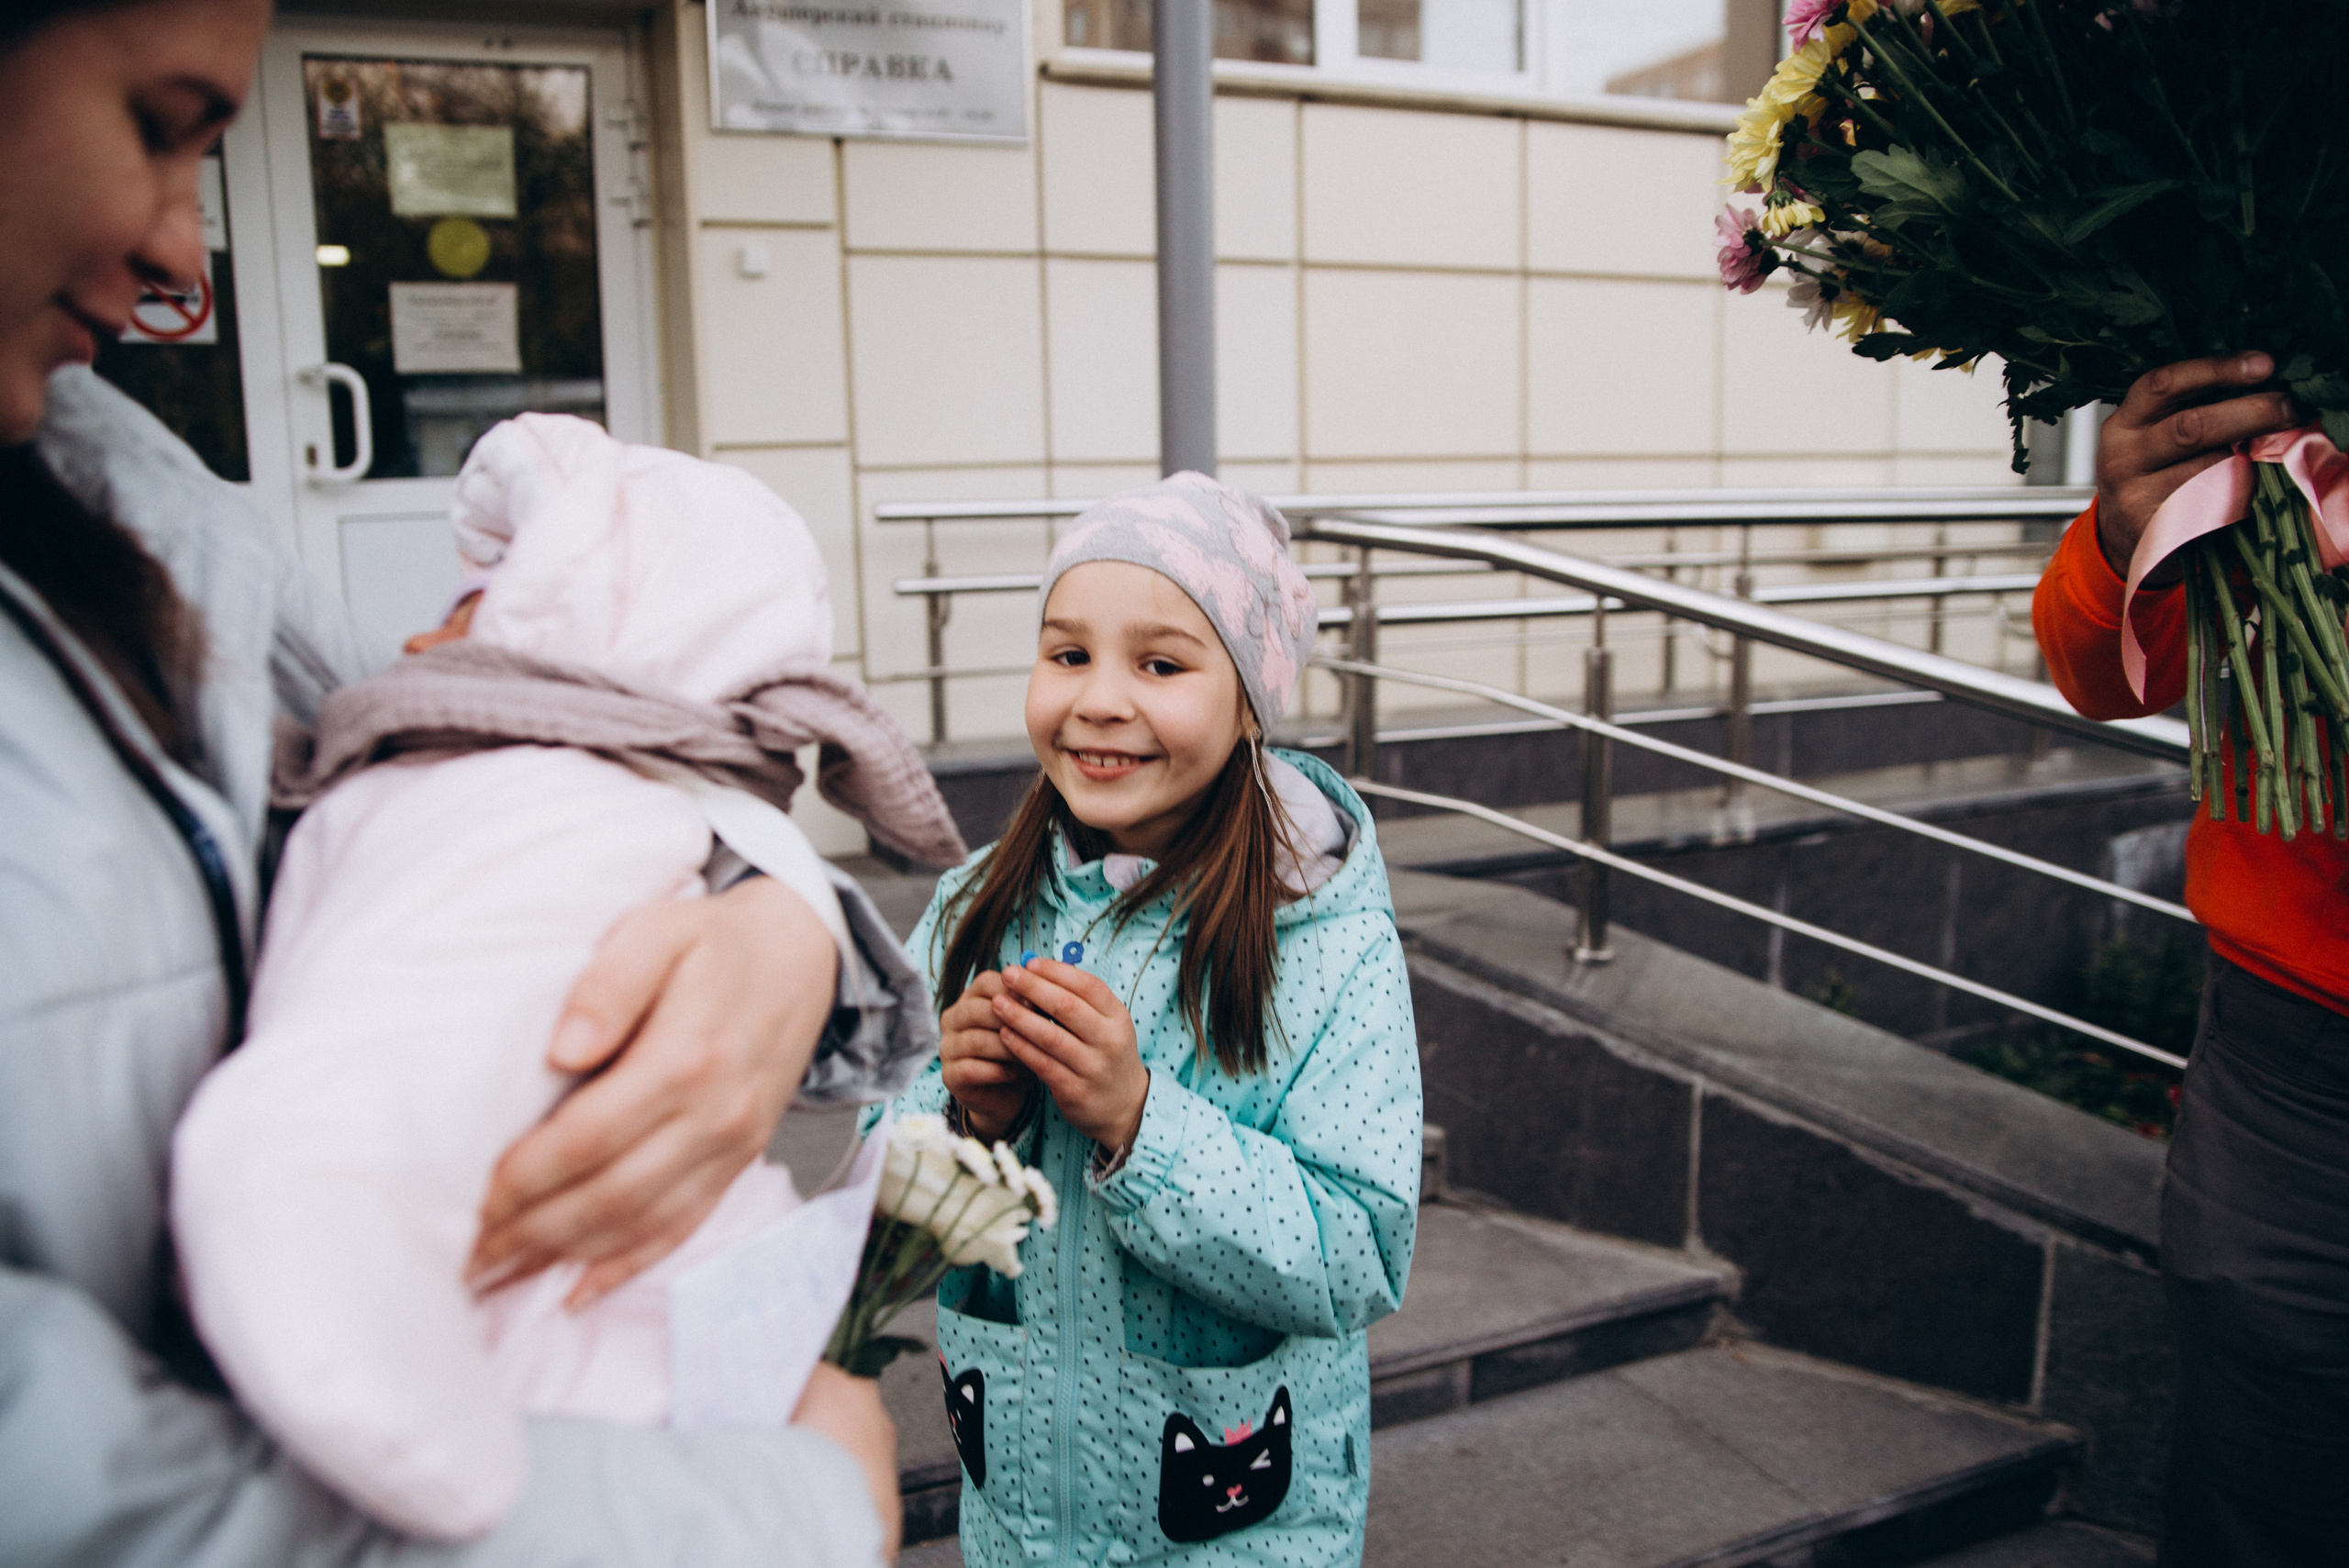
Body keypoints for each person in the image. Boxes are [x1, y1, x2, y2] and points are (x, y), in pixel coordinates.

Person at [0, 4, 899, 1562]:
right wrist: (788, 1508)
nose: (184, 265)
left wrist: (782, 925)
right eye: (161, 126)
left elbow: (521, 740)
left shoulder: (133, 491)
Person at [170, 413, 965, 1546]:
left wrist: (439, 1446)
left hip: (582, 1405)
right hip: (619, 1430)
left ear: (574, 626)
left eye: (466, 604)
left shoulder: (507, 812)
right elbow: (304, 1153)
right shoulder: (553, 809)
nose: (406, 636)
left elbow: (300, 1155)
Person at [872, 473, 1423, 1566]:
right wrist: (964, 1118)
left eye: (1160, 663)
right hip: (1020, 1523)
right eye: (1067, 653)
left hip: (1235, 1528)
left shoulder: (1321, 935)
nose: (1099, 699)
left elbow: (1357, 1252)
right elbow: (879, 1232)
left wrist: (1138, 1125)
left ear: (1248, 696)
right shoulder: (971, 910)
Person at [2032, 352, 2345, 1567]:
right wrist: (2126, 526)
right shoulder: (2275, 362)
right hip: (2305, 1075)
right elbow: (2101, 669)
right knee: (2264, 1503)